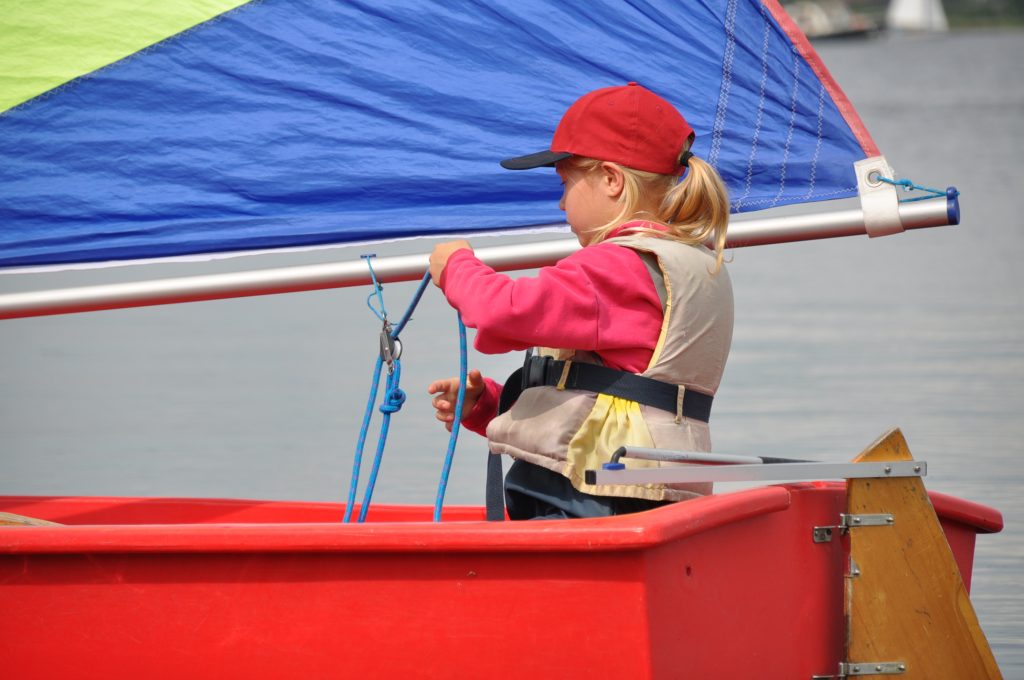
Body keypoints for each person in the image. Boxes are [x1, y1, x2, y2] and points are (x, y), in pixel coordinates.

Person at [427, 82, 733, 520]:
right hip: (643, 488)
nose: (561, 202)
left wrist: (456, 266)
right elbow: (617, 388)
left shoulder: (617, 268)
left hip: (592, 491)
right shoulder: (691, 262)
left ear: (611, 180)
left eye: (566, 183)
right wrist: (491, 407)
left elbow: (500, 310)